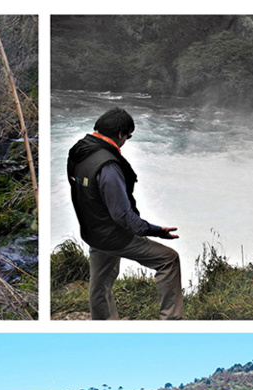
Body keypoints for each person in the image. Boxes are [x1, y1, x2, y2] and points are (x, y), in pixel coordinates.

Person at [67, 107, 183, 320]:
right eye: (127, 136)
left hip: (93, 231)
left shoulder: (78, 151)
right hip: (114, 235)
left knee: (100, 284)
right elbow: (122, 215)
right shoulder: (108, 166)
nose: (126, 141)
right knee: (168, 260)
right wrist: (155, 231)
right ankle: (171, 321)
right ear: (120, 134)